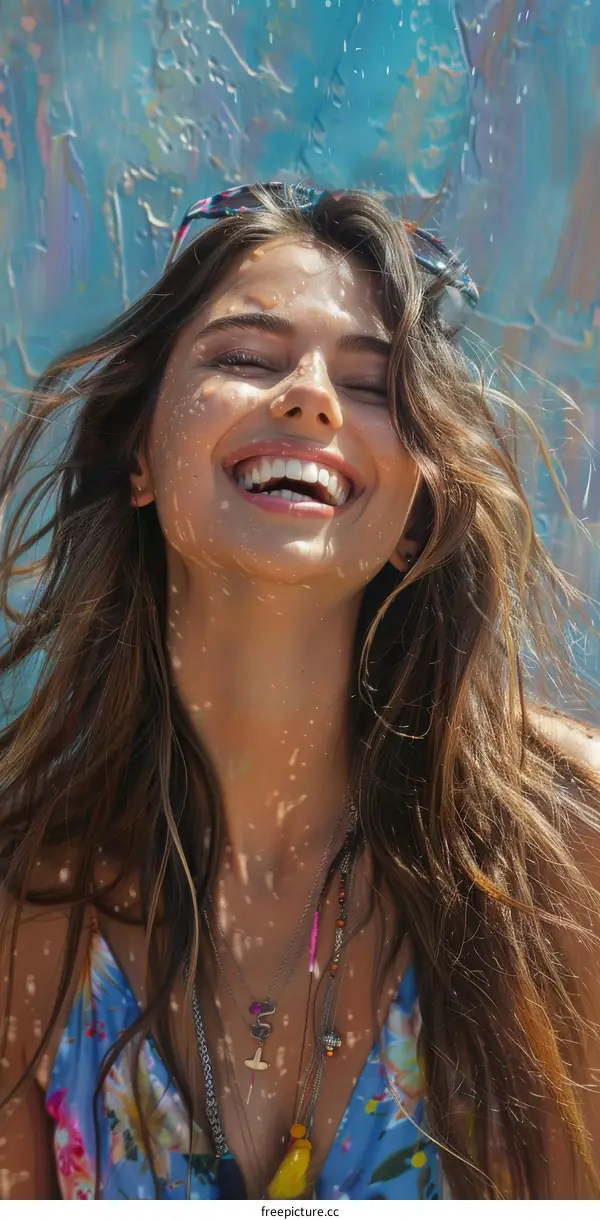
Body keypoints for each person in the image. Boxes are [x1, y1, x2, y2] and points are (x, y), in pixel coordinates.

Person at [0, 183, 599, 1202]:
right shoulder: (25, 898)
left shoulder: (562, 843)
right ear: (138, 452)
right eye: (243, 357)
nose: (310, 396)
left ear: (418, 507)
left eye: (373, 385)